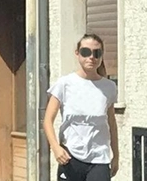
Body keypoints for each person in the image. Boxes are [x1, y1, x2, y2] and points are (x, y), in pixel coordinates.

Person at [43, 34, 120, 181]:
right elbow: (47, 121)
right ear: (77, 54)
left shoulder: (109, 87)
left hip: (99, 158)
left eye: (96, 53)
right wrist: (55, 148)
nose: (91, 57)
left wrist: (116, 155)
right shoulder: (65, 84)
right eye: (86, 52)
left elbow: (112, 123)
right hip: (70, 157)